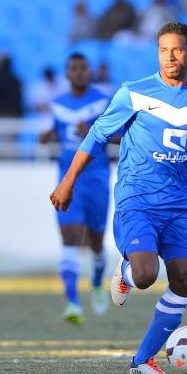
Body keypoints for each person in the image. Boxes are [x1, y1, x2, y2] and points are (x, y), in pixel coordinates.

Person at [50, 22, 187, 374]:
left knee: (183, 279)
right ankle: (125, 273)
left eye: (177, 50)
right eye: (164, 50)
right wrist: (68, 181)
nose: (170, 57)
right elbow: (97, 135)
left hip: (181, 204)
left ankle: (143, 360)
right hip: (138, 197)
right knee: (146, 275)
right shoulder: (133, 93)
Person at [39, 53, 112, 325]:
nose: (79, 72)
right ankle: (73, 302)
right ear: (67, 74)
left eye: (83, 68)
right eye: (74, 68)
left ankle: (97, 283)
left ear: (90, 73)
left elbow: (121, 134)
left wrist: (95, 131)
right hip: (68, 181)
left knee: (96, 241)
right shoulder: (58, 104)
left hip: (96, 180)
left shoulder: (104, 101)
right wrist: (48, 136)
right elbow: (58, 131)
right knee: (69, 236)